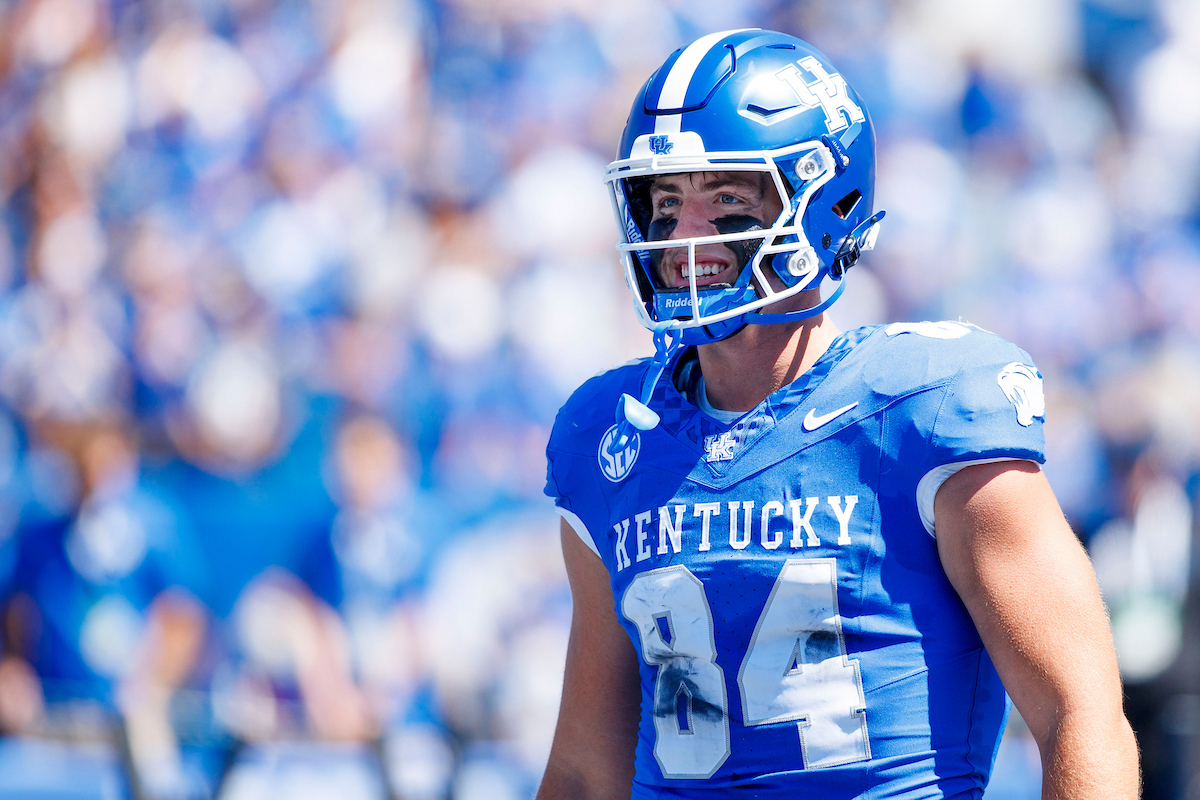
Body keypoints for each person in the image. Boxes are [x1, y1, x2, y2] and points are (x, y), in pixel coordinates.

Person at [538, 29, 1139, 799]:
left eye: (727, 201)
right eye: (666, 204)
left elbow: (1079, 714)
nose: (686, 238)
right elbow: (585, 771)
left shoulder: (926, 406)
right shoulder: (610, 436)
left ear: (825, 200)